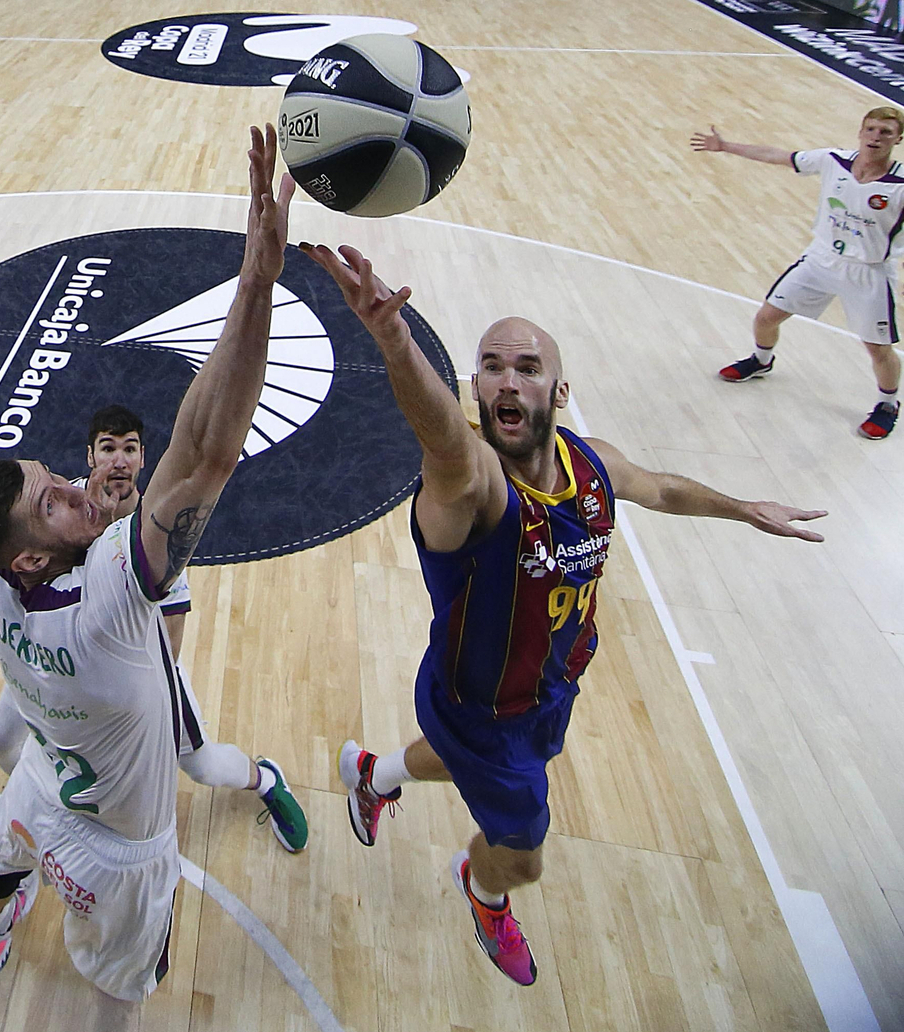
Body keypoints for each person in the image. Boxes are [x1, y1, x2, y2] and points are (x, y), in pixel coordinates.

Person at [299, 243, 827, 986]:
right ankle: (482, 893)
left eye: (525, 366)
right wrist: (393, 341)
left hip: (546, 686)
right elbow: (446, 443)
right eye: (489, 365)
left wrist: (746, 510)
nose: (506, 380)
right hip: (483, 707)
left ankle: (375, 775)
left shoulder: (591, 462)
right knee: (523, 854)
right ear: (473, 385)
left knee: (465, 761)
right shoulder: (473, 487)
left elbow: (663, 489)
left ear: (560, 389)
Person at [0, 126, 293, 1009]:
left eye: (55, 471)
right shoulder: (108, 585)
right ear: (30, 552)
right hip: (118, 836)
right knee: (124, 985)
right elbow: (210, 451)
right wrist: (255, 285)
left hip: (55, 771)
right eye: (50, 495)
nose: (67, 482)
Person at [0, 404, 308, 854]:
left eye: (129, 449)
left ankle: (265, 778)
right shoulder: (56, 505)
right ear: (89, 458)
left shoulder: (150, 544)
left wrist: (91, 686)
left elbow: (165, 650)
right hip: (45, 657)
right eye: (108, 448)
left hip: (125, 676)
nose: (118, 460)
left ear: (144, 459)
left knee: (203, 764)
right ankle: (54, 804)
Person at [692, 109, 904, 439]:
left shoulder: (900, 184)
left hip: (869, 273)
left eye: (886, 132)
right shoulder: (833, 160)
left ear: (898, 139)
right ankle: (761, 361)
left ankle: (888, 404)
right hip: (821, 259)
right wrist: (725, 146)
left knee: (878, 349)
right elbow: (779, 155)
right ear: (860, 132)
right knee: (766, 318)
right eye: (871, 129)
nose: (876, 136)